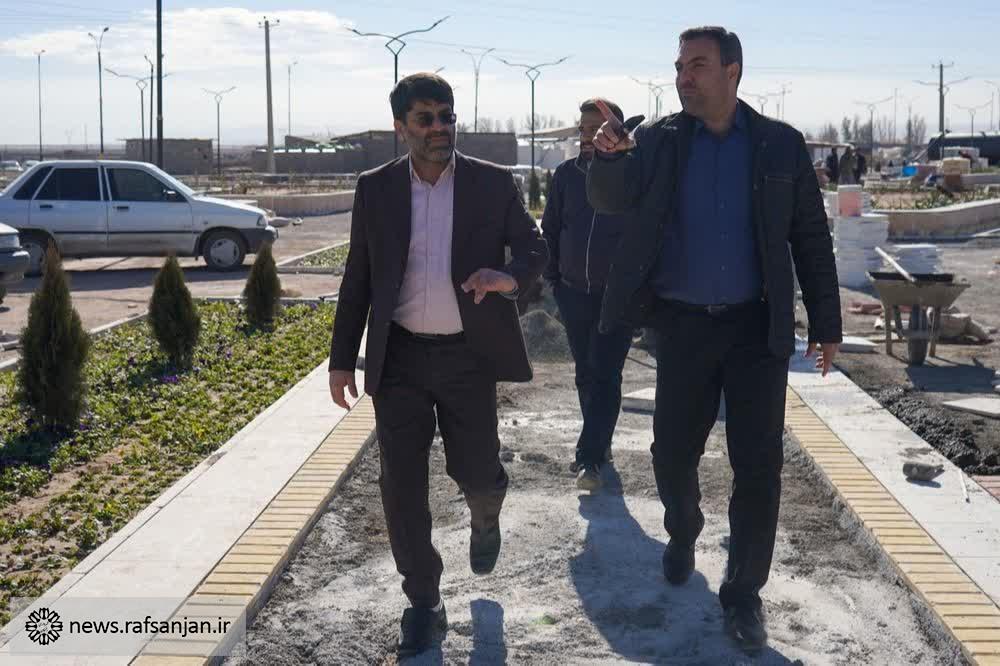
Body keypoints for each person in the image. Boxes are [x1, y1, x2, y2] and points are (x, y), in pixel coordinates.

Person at [588, 26, 842, 654]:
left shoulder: (779, 145)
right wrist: (609, 158)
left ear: (733, 71)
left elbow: (810, 236)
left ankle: (743, 592)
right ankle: (683, 528)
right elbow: (610, 201)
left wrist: (827, 325)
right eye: (679, 65)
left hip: (756, 328)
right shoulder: (658, 140)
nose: (683, 77)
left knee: (759, 465)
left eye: (697, 65)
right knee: (672, 452)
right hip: (683, 327)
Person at [327, 73, 548, 658]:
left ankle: (486, 514)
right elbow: (358, 275)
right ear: (400, 127)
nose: (439, 128)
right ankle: (423, 601)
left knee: (477, 470)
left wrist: (508, 277)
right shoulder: (375, 188)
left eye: (446, 116)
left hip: (466, 357)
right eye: (424, 118)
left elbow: (535, 248)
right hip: (399, 357)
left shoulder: (491, 183)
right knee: (401, 485)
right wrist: (341, 359)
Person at [541, 97, 634, 491]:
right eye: (583, 129)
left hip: (618, 297)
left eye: (596, 129)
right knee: (585, 372)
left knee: (606, 373)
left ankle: (589, 459)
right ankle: (599, 440)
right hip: (573, 291)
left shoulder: (633, 174)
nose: (587, 136)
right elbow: (550, 228)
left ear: (617, 130)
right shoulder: (566, 175)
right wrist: (554, 281)